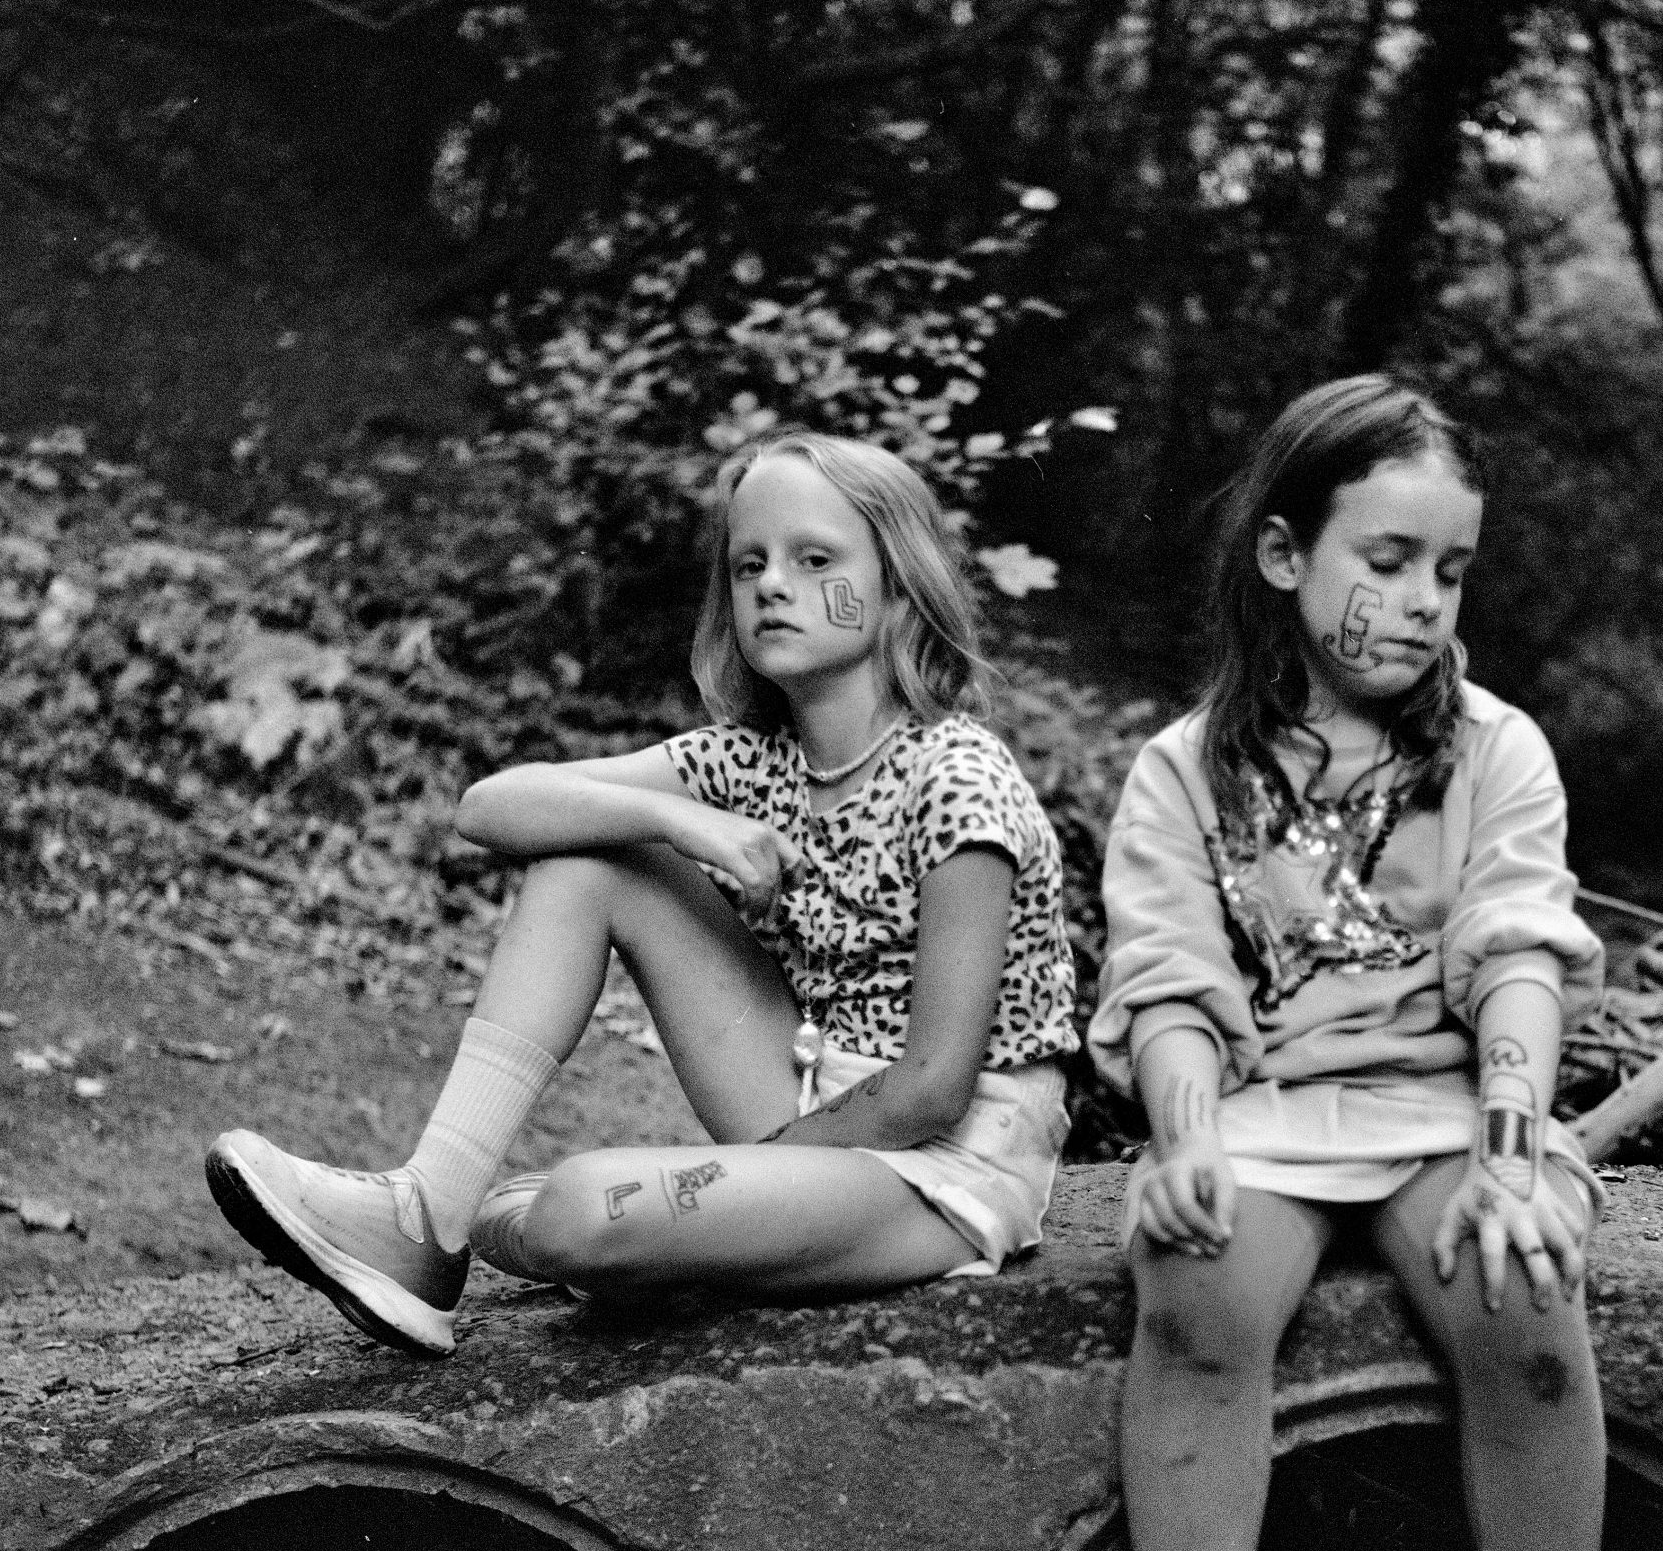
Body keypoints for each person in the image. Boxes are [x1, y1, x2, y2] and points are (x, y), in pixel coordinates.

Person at [1089, 375, 1610, 1551]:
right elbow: (1171, 980)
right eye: (1383, 559)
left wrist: (1518, 1143)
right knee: (1192, 1291)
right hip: (1256, 1118)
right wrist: (1181, 1137)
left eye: (1447, 572)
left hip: (1453, 1113)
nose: (1415, 603)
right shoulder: (1183, 774)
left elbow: (1519, 949)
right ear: (1280, 555)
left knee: (1526, 1297)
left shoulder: (1496, 752)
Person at [206, 429, 1079, 1355]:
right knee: (591, 856)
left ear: (900, 587)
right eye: (749, 565)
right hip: (813, 1088)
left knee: (585, 1204)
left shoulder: (957, 778)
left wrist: (736, 1175)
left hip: (946, 1164)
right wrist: (678, 823)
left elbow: (933, 1089)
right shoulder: (752, 764)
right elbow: (488, 807)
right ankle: (428, 1215)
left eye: (813, 558)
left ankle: (535, 1224)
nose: (771, 585)